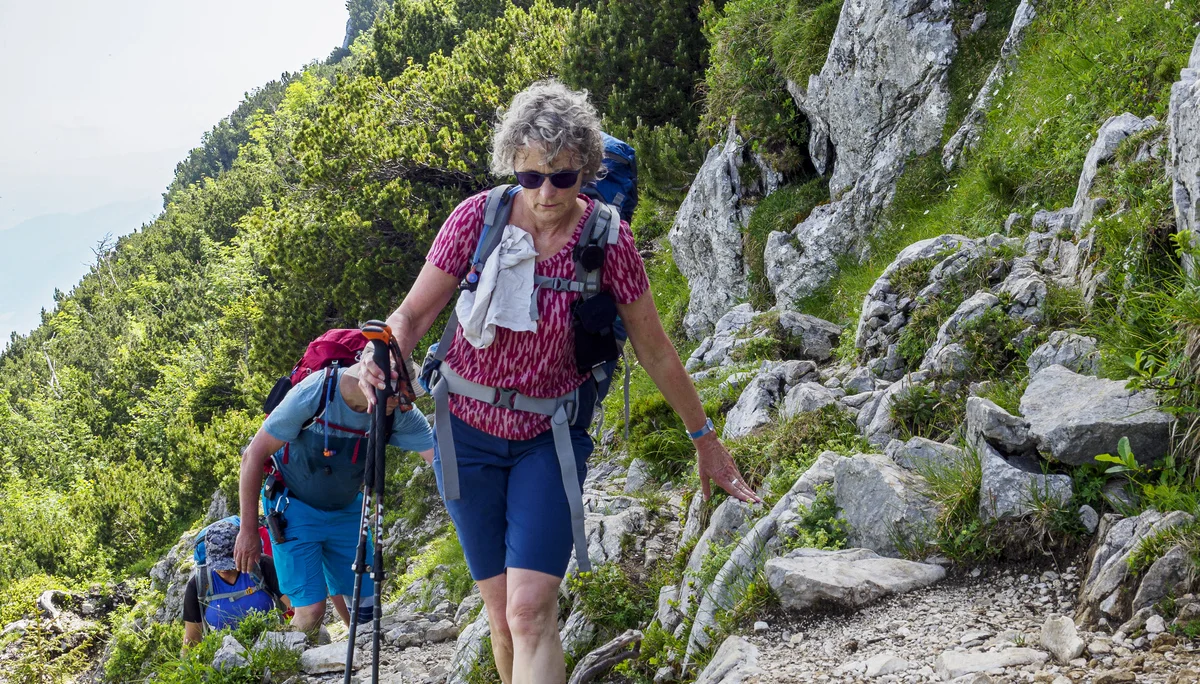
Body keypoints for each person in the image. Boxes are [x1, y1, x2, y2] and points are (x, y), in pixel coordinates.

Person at [357, 79, 761, 684]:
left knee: (529, 610)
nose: (546, 193)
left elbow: (654, 349)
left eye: (563, 177)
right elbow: (412, 316)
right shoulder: (477, 219)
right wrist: (383, 353)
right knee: (500, 612)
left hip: (550, 437)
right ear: (513, 167)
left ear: (587, 171)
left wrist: (704, 437)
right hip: (462, 433)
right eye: (530, 177)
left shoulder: (608, 240)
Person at [234, 361, 435, 635]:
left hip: (347, 507)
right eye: (400, 396)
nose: (406, 405)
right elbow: (252, 456)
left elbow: (441, 461)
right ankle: (284, 670)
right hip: (293, 507)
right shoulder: (314, 394)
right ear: (370, 383)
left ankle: (357, 666)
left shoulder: (398, 412)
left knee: (366, 610)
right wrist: (248, 531)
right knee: (311, 611)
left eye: (408, 397)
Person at [182, 519, 283, 648]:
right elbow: (192, 640)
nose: (223, 569)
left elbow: (295, 605)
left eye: (228, 563)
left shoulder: (261, 566)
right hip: (224, 656)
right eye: (217, 564)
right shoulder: (199, 584)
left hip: (271, 646)